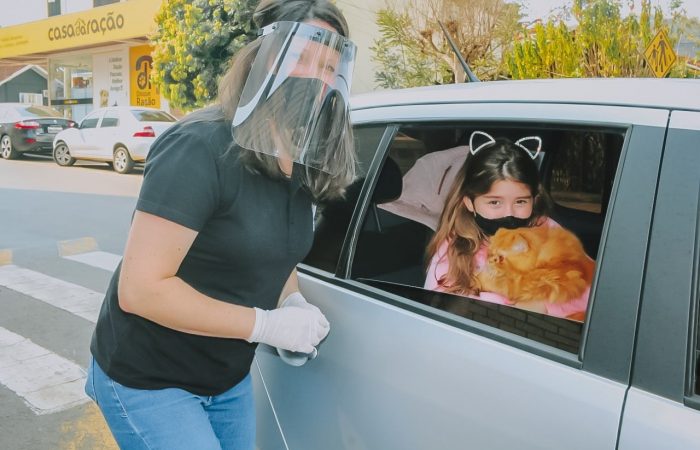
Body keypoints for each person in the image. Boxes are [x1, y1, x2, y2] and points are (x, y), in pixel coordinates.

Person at [84, 1, 357, 448]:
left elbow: (276, 249)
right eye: (300, 56)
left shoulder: (303, 156)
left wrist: (292, 302)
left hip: (225, 379)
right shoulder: (200, 148)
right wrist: (265, 326)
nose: (314, 75)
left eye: (328, 65)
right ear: (263, 57)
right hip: (149, 379)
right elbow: (141, 289)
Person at [424, 131, 590, 320]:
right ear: (470, 203)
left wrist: (544, 305)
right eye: (494, 202)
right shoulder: (455, 248)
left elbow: (588, 288)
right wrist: (512, 308)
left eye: (520, 202)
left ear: (534, 200)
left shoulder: (546, 230)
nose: (509, 213)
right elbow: (441, 307)